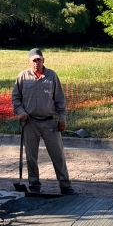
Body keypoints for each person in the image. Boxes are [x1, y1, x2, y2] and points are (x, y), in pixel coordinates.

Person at [11, 48, 75, 195]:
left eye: (39, 60)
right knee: (31, 156)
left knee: (58, 154)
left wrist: (62, 118)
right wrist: (21, 112)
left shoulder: (52, 76)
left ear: (43, 60)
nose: (36, 63)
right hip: (30, 122)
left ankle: (65, 185)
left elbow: (60, 99)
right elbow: (15, 99)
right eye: (34, 60)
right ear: (29, 62)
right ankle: (34, 185)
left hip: (49, 122)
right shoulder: (22, 77)